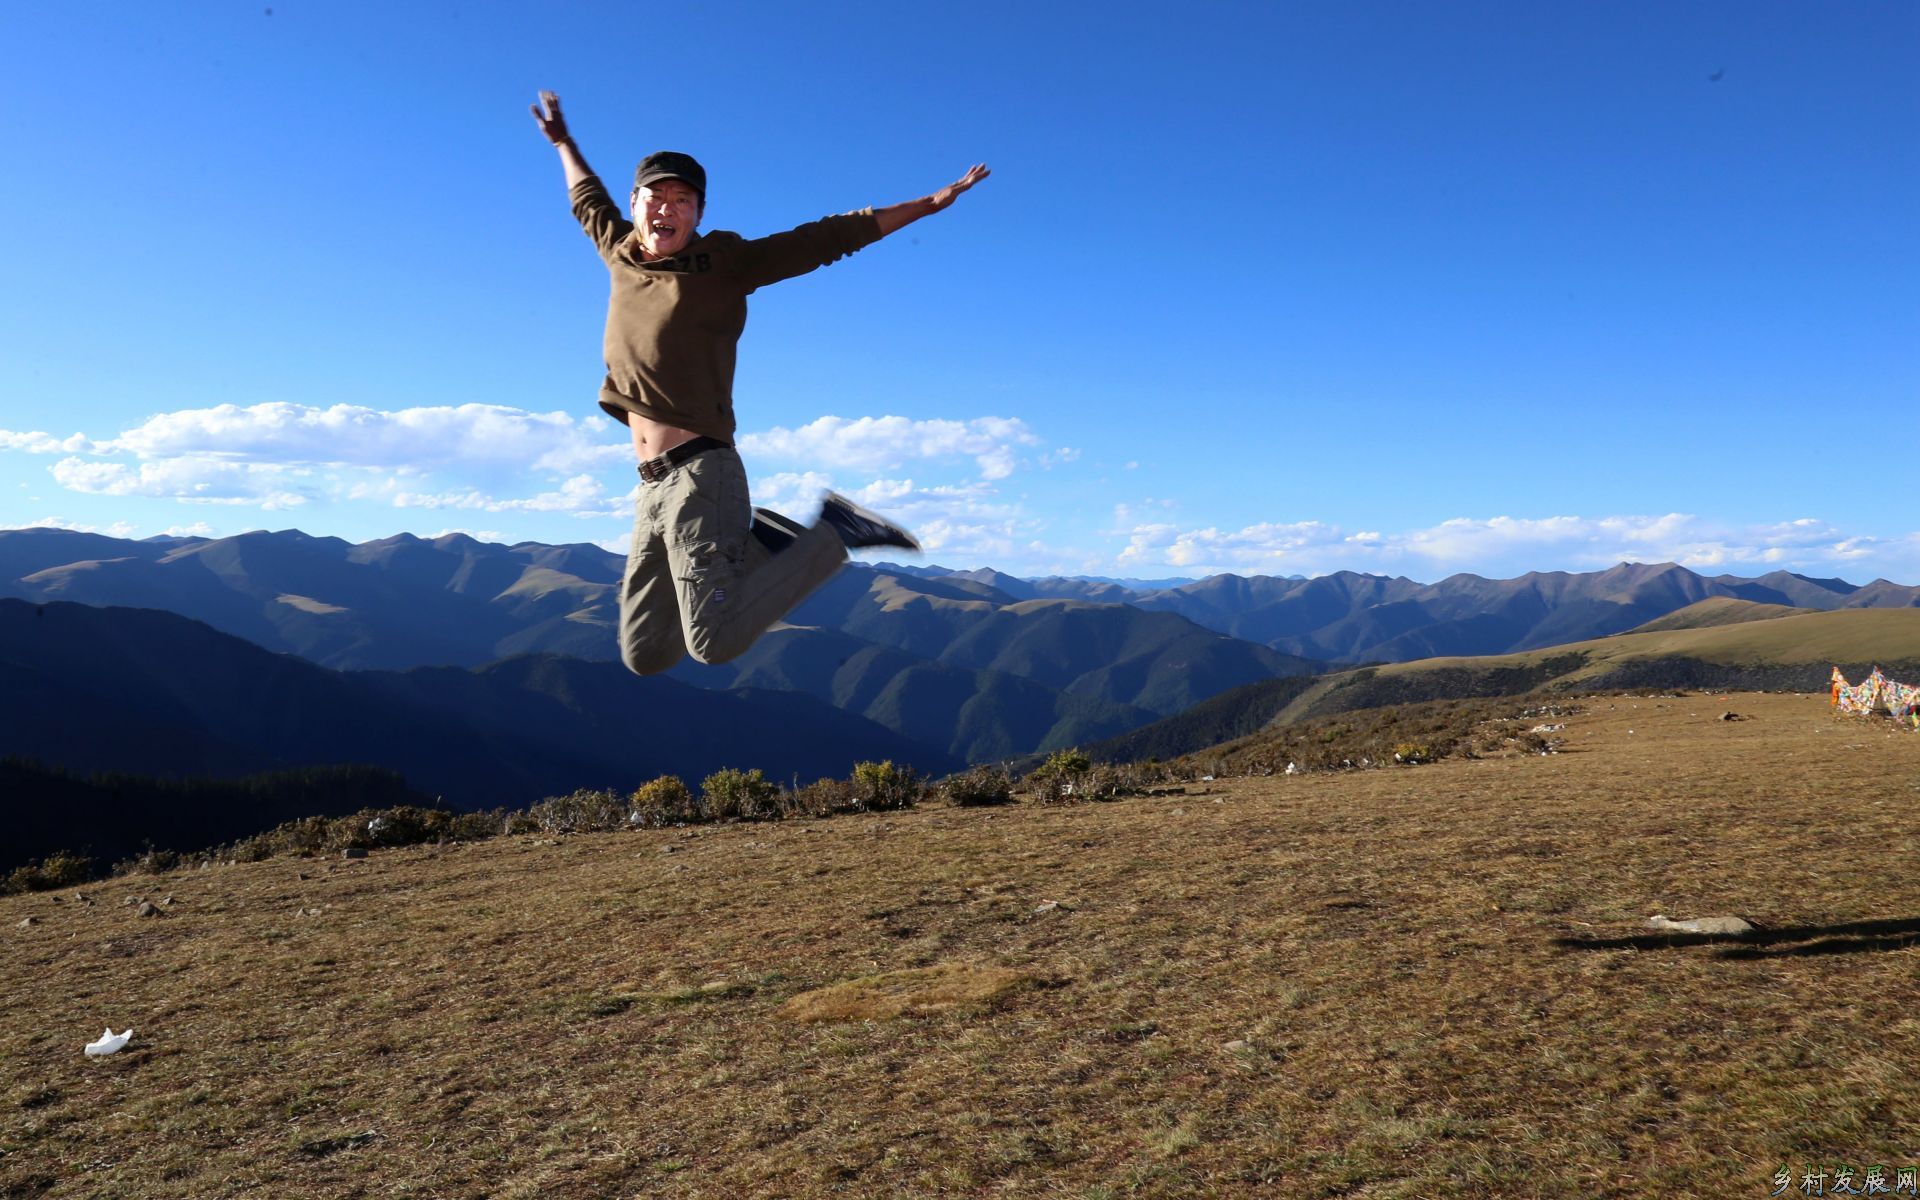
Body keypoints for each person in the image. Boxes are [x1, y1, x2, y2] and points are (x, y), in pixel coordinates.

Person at [530, 91, 988, 675]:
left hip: (703, 472)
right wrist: (565, 142)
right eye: (656, 198)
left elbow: (825, 239)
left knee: (714, 643)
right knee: (646, 655)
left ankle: (834, 534)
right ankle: (767, 539)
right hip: (650, 487)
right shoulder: (619, 251)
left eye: (683, 200)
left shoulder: (725, 264)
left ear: (698, 214)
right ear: (636, 204)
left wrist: (927, 204)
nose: (667, 209)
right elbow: (585, 196)